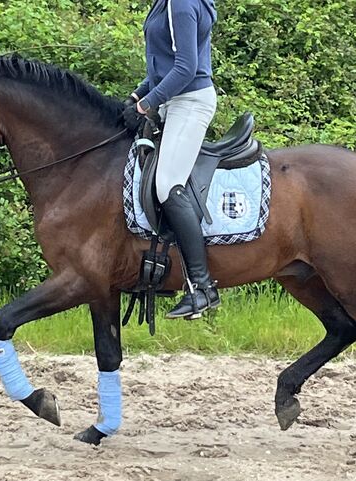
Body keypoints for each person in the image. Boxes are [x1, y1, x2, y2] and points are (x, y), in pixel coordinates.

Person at [123, 0, 220, 319]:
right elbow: (163, 66)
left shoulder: (179, 3)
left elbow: (185, 67)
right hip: (174, 101)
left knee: (167, 185)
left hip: (189, 103)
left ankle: (202, 289)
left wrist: (146, 104)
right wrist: (139, 95)